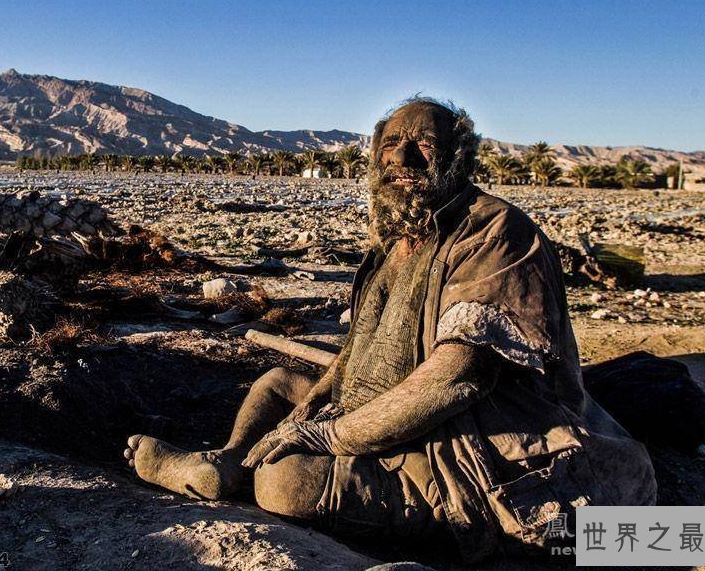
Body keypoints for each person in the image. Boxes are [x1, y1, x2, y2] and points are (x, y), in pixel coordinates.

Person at [124, 98, 656, 560]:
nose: (402, 157)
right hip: (383, 415)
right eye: (391, 144)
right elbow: (358, 352)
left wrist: (325, 434)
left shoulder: (495, 233)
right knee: (279, 383)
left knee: (285, 481)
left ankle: (483, 530)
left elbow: (458, 377)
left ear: (458, 158)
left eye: (423, 144)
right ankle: (228, 462)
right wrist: (318, 402)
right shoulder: (394, 243)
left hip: (473, 443)